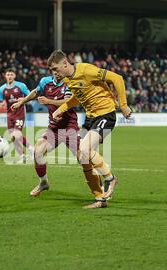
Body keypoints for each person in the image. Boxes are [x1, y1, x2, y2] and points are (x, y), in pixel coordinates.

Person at [49, 50, 132, 209]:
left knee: (85, 149)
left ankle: (110, 178)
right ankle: (100, 199)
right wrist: (61, 109)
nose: (54, 73)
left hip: (105, 114)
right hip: (91, 117)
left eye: (55, 69)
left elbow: (117, 78)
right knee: (82, 158)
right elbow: (76, 98)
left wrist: (123, 105)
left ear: (65, 63)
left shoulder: (86, 70)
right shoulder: (68, 78)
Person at [12, 73, 79, 196]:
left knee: (84, 157)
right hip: (53, 128)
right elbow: (36, 92)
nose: (57, 72)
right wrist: (23, 101)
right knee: (38, 152)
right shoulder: (45, 81)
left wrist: (48, 101)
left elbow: (69, 101)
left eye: (58, 69)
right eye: (53, 69)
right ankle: (43, 182)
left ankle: (106, 179)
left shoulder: (69, 82)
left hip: (70, 128)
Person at [0, 68, 34, 163]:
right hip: (10, 115)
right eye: (8, 74)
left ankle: (31, 149)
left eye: (11, 74)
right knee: (13, 137)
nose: (9, 76)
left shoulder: (21, 86)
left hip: (20, 113)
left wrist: (23, 99)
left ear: (14, 76)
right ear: (5, 76)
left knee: (16, 134)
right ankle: (22, 156)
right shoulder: (2, 89)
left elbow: (31, 95)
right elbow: (0, 99)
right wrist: (1, 103)